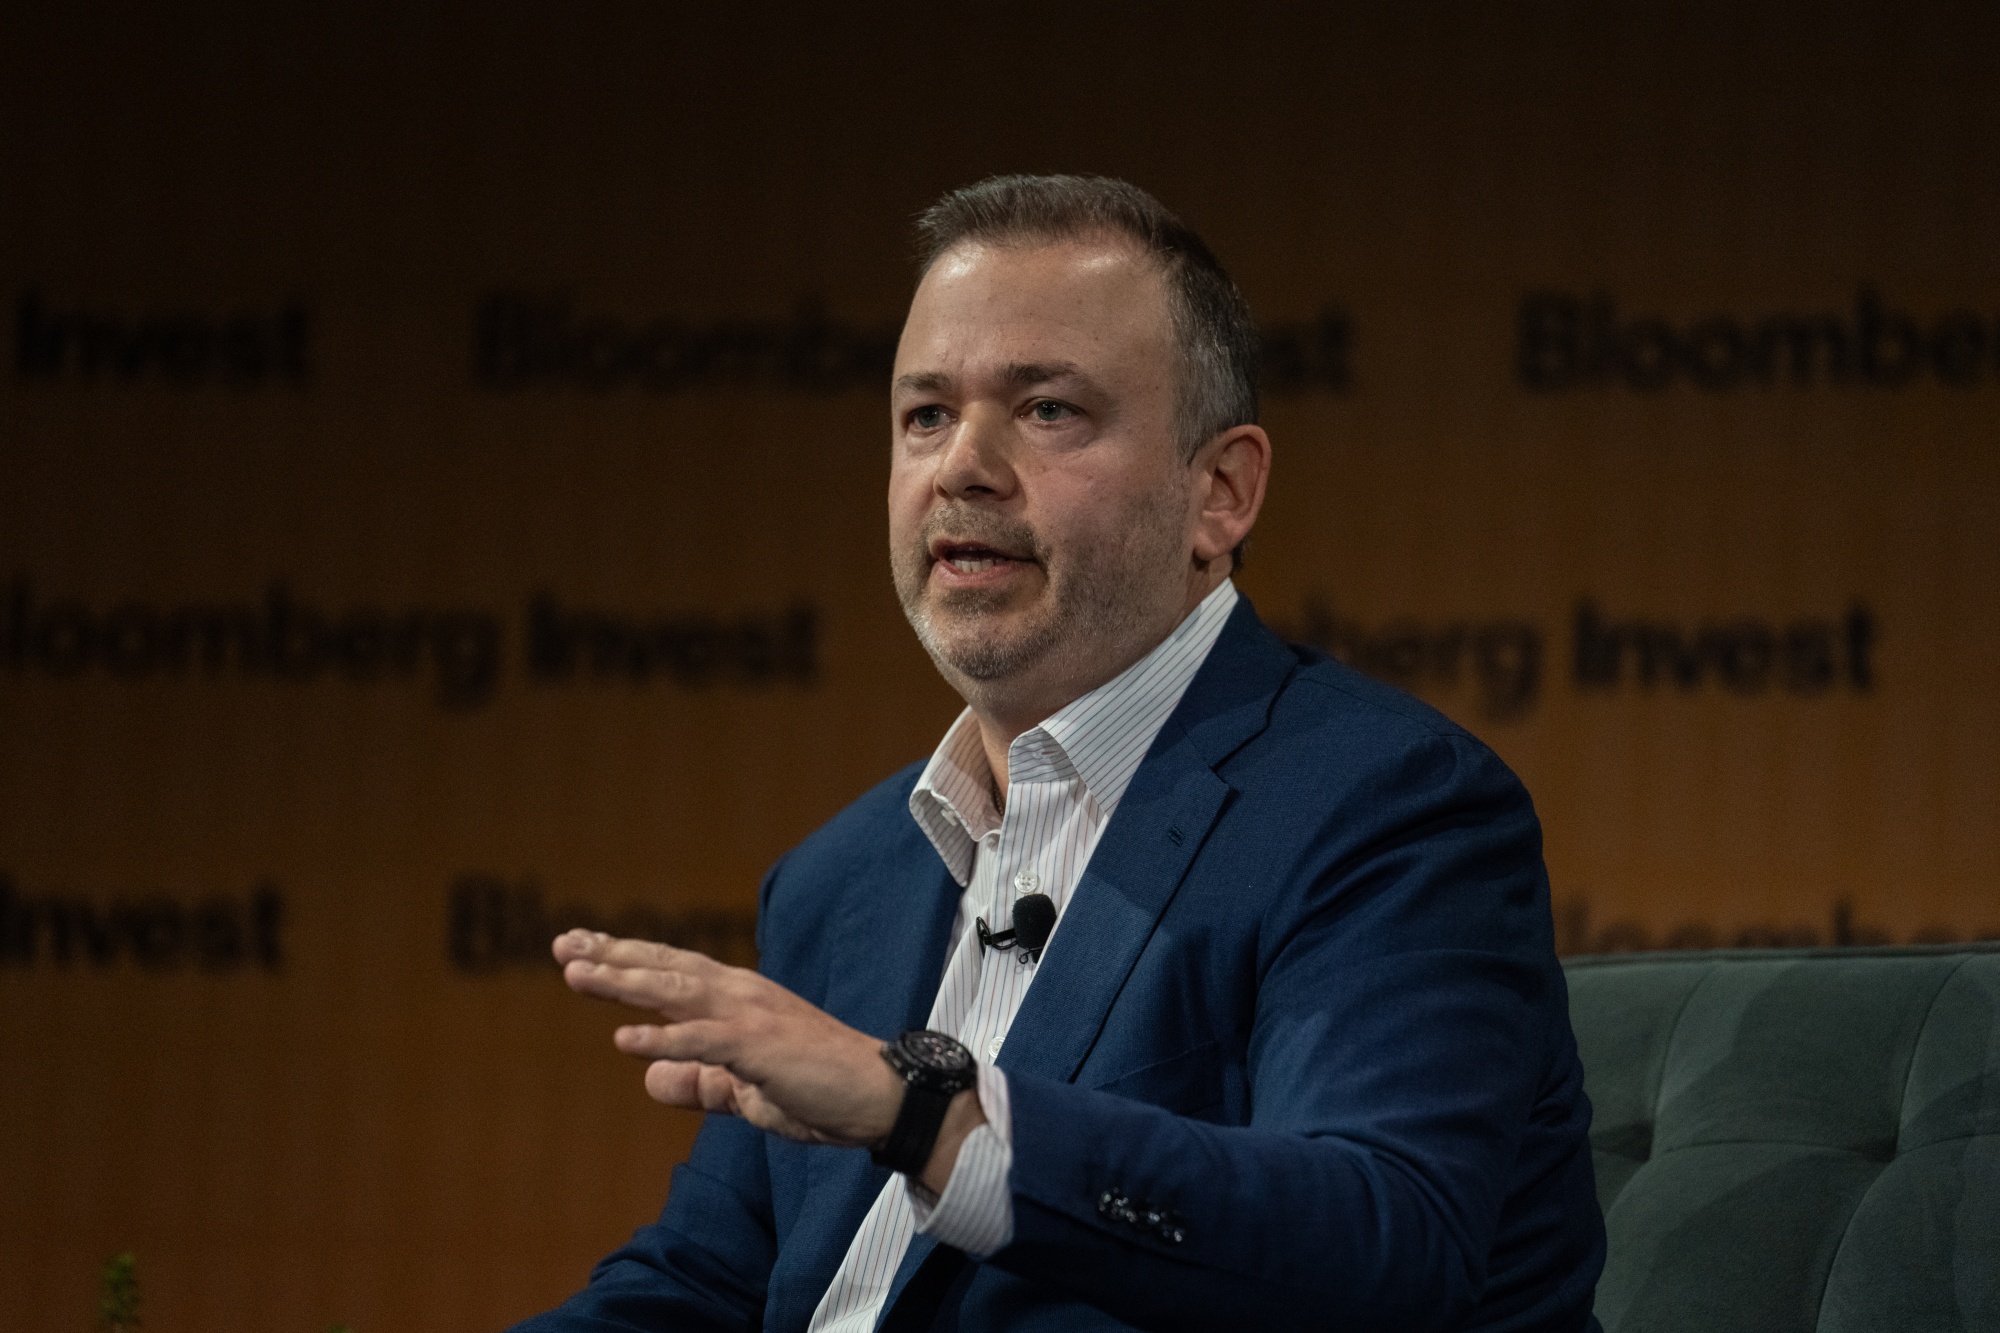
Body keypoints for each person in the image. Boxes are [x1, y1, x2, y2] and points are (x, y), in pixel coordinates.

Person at [514, 175, 1605, 1333]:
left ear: (1219, 492)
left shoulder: (1387, 807)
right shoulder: (843, 878)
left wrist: (923, 1116)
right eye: (925, 415)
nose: (962, 465)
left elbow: (1381, 1240)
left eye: (1045, 410)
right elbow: (703, 1285)